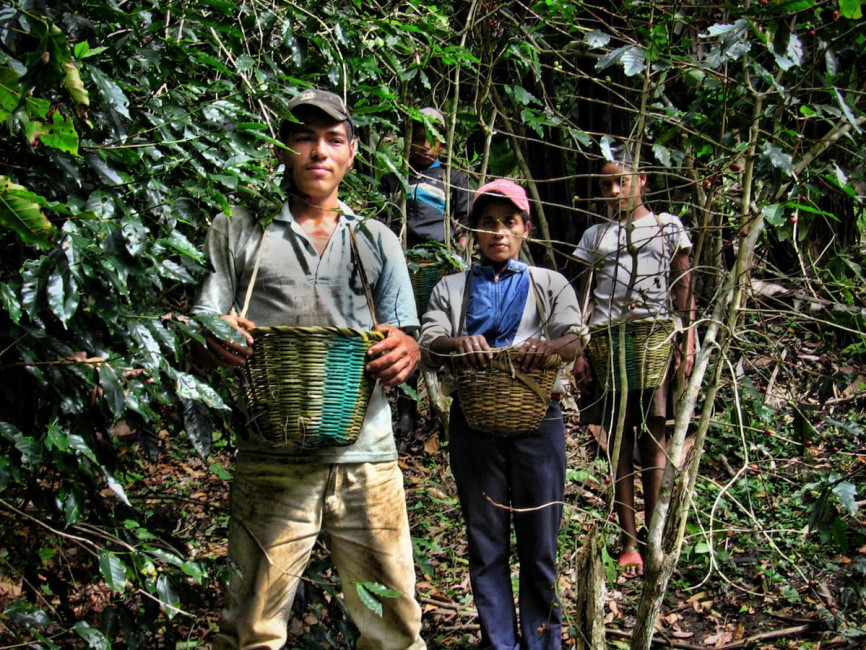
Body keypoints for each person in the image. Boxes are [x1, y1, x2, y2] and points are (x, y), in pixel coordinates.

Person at [193, 88, 426, 650]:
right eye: (303, 137)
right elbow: (204, 328)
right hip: (271, 458)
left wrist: (406, 351)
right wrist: (215, 340)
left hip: (366, 458)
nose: (318, 151)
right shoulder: (240, 230)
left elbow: (407, 337)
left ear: (351, 154)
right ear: (282, 148)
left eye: (333, 140)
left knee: (394, 625)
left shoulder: (374, 238)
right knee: (252, 627)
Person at [419, 179, 585, 650]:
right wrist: (457, 342)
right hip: (473, 421)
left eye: (508, 223)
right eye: (487, 223)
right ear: (472, 230)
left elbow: (573, 339)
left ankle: (541, 640)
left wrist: (548, 346)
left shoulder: (549, 282)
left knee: (540, 542)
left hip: (541, 420)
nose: (498, 233)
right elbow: (430, 344)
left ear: (525, 229)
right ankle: (498, 642)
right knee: (486, 539)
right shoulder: (451, 287)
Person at [573, 143, 696, 579]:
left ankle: (655, 533)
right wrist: (580, 349)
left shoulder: (666, 227)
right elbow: (584, 298)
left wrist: (689, 335)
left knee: (655, 437)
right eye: (606, 183)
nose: (613, 190)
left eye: (621, 180)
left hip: (655, 341)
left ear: (641, 180)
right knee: (619, 440)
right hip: (609, 345)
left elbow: (682, 285)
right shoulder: (596, 236)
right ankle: (628, 540)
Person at [379, 107, 472, 435]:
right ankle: (407, 411)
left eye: (430, 140)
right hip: (404, 267)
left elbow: (463, 224)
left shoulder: (453, 178)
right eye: (416, 139)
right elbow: (383, 223)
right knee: (407, 334)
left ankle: (446, 410)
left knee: (445, 336)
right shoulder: (393, 178)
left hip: (440, 267)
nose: (423, 146)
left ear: (441, 146)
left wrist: (456, 250)